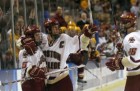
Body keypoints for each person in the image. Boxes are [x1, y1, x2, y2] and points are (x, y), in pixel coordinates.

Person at [44, 18, 97, 91]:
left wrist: (87, 34)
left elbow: (78, 41)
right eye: (54, 28)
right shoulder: (42, 41)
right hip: (48, 82)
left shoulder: (63, 38)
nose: (57, 29)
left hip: (62, 80)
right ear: (48, 30)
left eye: (57, 27)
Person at [105, 12, 140, 91]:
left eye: (124, 22)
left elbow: (135, 60)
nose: (122, 24)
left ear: (131, 23)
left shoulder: (131, 37)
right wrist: (119, 46)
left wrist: (119, 62)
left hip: (136, 78)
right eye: (121, 22)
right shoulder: (136, 35)